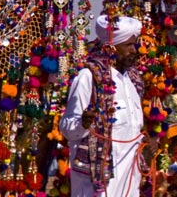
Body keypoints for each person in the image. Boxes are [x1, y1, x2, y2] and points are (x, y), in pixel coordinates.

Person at [60, 16, 146, 197]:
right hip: (96, 184)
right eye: (128, 45)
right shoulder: (88, 77)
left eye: (134, 44)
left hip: (130, 181)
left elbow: (134, 130)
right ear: (112, 48)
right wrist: (83, 123)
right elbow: (67, 129)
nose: (134, 50)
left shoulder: (133, 81)